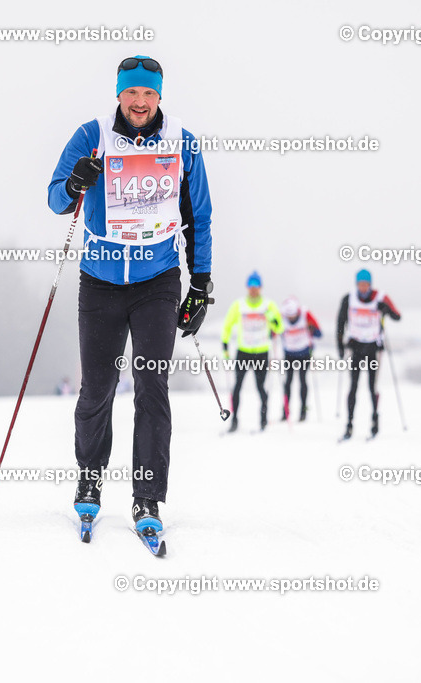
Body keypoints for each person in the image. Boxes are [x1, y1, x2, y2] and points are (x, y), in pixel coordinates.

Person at [48, 55, 213, 538]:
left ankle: (147, 496)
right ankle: (90, 481)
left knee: (151, 386)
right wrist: (75, 182)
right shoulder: (91, 136)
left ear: (160, 96)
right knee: (97, 388)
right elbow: (56, 199)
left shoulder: (182, 141)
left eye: (149, 93)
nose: (140, 102)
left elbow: (199, 216)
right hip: (100, 280)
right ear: (119, 93)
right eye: (132, 92)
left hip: (157, 280)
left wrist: (200, 285)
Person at [335, 269, 401, 440]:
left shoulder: (380, 297)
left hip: (373, 347)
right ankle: (349, 424)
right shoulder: (348, 298)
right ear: (356, 284)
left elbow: (397, 316)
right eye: (360, 284)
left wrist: (385, 309)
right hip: (355, 346)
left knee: (372, 386)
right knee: (353, 386)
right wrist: (340, 345)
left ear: (370, 284)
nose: (363, 287)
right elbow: (340, 322)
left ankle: (374, 420)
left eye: (366, 284)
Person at [221, 271, 284, 432]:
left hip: (261, 352)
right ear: (247, 287)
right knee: (237, 387)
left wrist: (271, 317)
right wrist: (225, 345)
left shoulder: (268, 305)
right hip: (243, 352)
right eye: (251, 286)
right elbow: (227, 325)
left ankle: (263, 420)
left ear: (260, 287)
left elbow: (279, 327)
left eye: (256, 286)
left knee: (260, 387)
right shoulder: (239, 305)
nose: (254, 289)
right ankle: (234, 420)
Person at [280, 296, 322, 422]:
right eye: (289, 316)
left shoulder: (305, 314)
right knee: (288, 382)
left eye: (293, 316)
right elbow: (273, 332)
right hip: (289, 353)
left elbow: (319, 333)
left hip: (304, 353)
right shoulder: (281, 316)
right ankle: (285, 411)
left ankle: (303, 411)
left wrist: (312, 329)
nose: (291, 318)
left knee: (302, 380)